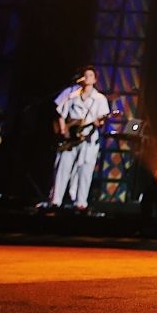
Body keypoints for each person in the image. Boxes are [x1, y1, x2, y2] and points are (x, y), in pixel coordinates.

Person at [47, 66, 110, 211]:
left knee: (85, 171)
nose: (87, 77)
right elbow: (61, 113)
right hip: (71, 138)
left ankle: (81, 202)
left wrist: (98, 123)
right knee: (62, 168)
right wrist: (64, 129)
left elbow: (102, 120)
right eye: (85, 75)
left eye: (90, 75)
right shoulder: (72, 95)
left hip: (88, 139)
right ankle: (55, 201)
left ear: (95, 79)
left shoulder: (99, 99)